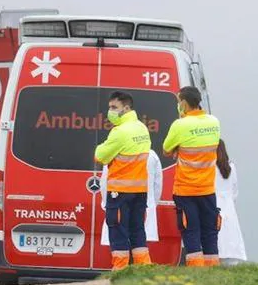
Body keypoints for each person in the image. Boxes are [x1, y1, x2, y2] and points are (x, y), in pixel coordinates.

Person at [162, 86, 222, 267]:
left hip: (186, 189)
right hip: (208, 189)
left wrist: (179, 148)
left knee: (191, 230)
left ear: (185, 103)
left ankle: (196, 270)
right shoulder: (214, 122)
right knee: (210, 231)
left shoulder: (180, 125)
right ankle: (212, 270)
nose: (178, 105)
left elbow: (166, 150)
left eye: (179, 101)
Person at [94, 91, 152, 271]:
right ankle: (143, 269)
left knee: (118, 230)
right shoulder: (142, 128)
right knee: (137, 231)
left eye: (114, 107)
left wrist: (103, 149)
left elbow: (100, 156)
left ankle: (120, 270)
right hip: (140, 190)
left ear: (126, 108)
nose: (109, 111)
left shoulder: (119, 132)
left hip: (119, 191)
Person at [100, 149, 163, 254]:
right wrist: (151, 205)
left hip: (117, 206)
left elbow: (104, 183)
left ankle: (122, 269)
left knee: (120, 245)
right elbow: (158, 185)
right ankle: (140, 269)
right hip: (142, 208)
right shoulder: (151, 155)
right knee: (140, 245)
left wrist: (107, 205)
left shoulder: (114, 153)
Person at [215, 139, 247, 266]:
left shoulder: (210, 167)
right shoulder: (231, 167)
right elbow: (235, 190)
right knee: (230, 233)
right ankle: (231, 259)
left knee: (216, 234)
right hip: (228, 205)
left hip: (214, 203)